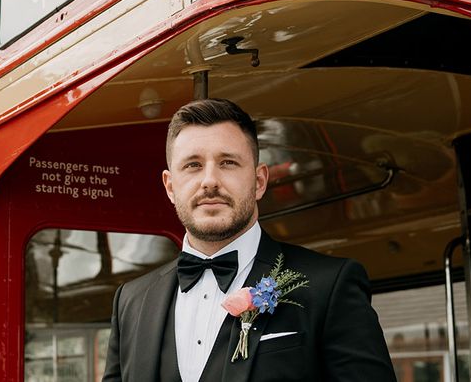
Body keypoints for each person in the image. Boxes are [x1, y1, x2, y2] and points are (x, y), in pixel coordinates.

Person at [102, 98, 396, 382]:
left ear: (259, 182)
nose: (209, 181)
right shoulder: (131, 301)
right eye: (192, 165)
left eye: (228, 162)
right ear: (169, 187)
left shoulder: (330, 286)